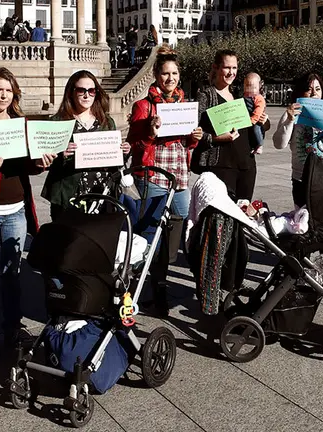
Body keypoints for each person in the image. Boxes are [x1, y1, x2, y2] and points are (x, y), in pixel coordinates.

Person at [0, 68, 54, 357]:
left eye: (8, 90)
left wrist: (41, 162)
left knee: (12, 273)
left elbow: (26, 166)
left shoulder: (21, 124)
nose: (3, 94)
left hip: (16, 210)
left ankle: (13, 327)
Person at [127, 46, 202, 316]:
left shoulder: (184, 104)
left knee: (178, 232)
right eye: (165, 73)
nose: (170, 78)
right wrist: (149, 130)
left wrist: (195, 136)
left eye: (174, 73)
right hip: (153, 175)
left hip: (180, 176)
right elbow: (134, 141)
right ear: (156, 76)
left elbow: (187, 143)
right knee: (151, 235)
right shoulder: (144, 106)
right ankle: (153, 291)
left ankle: (163, 280)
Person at [272, 72, 323, 279]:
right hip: (301, 177)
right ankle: (305, 267)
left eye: (317, 89)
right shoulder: (292, 112)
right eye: (309, 89)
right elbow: (279, 143)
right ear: (301, 92)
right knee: (303, 225)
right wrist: (289, 120)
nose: (314, 93)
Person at [41, 70, 131, 221]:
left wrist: (123, 151)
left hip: (102, 193)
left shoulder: (106, 121)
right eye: (81, 90)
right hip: (69, 194)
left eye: (91, 90)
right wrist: (60, 154)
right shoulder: (57, 122)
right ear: (71, 92)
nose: (86, 95)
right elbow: (44, 161)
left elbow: (114, 160)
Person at [192, 50, 257, 202]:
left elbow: (251, 125)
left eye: (234, 68)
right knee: (222, 216)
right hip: (220, 165)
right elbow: (195, 131)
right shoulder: (206, 96)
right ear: (216, 67)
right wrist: (216, 138)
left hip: (246, 164)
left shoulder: (241, 94)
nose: (231, 72)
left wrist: (263, 121)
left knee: (244, 213)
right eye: (227, 68)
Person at [243, 72, 267, 155]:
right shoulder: (244, 96)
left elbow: (259, 110)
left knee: (256, 129)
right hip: (246, 120)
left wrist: (253, 120)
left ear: (259, 87)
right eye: (247, 86)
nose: (250, 90)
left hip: (255, 120)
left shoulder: (258, 98)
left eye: (253, 88)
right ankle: (253, 146)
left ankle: (259, 144)